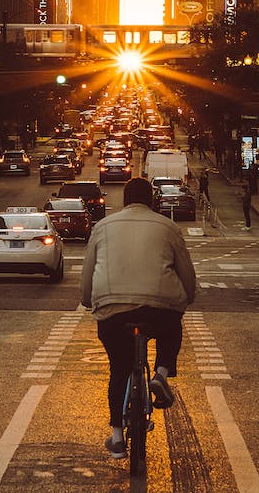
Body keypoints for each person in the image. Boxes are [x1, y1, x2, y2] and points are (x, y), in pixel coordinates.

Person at [81, 177, 196, 460]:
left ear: (124, 200)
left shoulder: (102, 226)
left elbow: (87, 275)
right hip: (159, 308)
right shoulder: (168, 227)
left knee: (119, 369)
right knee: (172, 328)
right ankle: (162, 373)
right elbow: (187, 275)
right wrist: (186, 298)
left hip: (112, 309)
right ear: (152, 201)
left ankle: (118, 438)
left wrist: (88, 301)